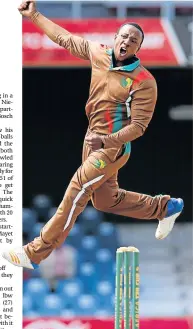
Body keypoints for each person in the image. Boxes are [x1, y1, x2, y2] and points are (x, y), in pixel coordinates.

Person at [2, 0, 184, 269]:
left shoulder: (144, 81)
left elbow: (139, 127)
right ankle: (164, 208)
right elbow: (63, 38)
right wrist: (34, 15)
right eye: (123, 36)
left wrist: (106, 141)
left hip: (112, 147)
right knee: (105, 201)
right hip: (92, 140)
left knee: (76, 191)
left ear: (138, 48)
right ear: (115, 38)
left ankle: (34, 252)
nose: (126, 42)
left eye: (133, 40)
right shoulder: (98, 53)